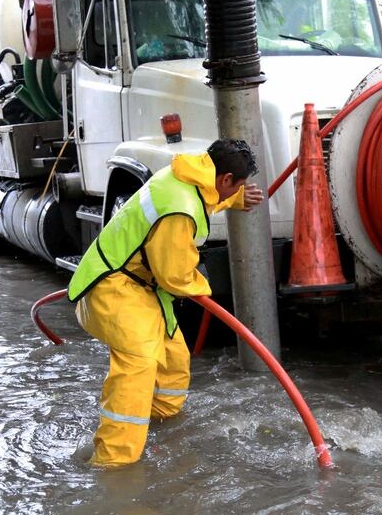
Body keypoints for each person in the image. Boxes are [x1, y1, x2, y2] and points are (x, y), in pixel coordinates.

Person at [68, 139, 264, 466]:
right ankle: (113, 463)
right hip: (114, 287)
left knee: (172, 361)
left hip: (141, 287)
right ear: (225, 179)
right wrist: (205, 286)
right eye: (238, 185)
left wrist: (236, 200)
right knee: (140, 363)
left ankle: (156, 422)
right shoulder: (180, 209)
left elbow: (205, 200)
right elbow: (174, 276)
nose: (237, 190)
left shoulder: (187, 177)